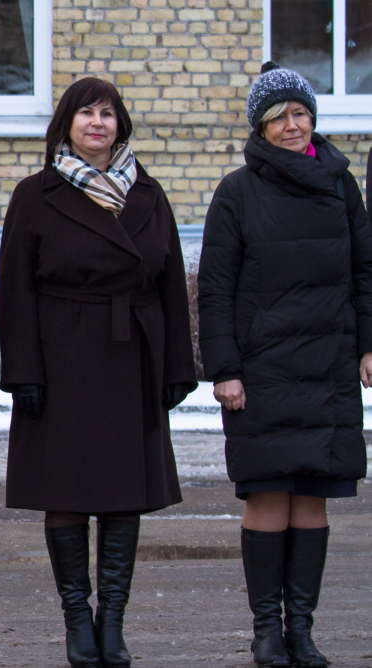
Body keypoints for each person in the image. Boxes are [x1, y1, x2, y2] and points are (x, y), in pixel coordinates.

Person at [0, 77, 196, 668]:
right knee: (65, 490)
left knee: (121, 492)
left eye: (108, 114)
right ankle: (76, 618)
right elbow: (14, 288)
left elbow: (170, 284)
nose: (98, 124)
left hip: (132, 353)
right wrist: (22, 370)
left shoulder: (149, 194)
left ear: (121, 125)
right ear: (66, 123)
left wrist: (177, 367)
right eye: (87, 113)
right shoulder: (37, 193)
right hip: (61, 355)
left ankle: (113, 620)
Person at [197, 62, 372, 668]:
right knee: (269, 493)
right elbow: (214, 291)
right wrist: (224, 369)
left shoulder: (341, 185)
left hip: (328, 362)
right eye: (280, 118)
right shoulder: (237, 192)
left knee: (314, 497)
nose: (293, 126)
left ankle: (302, 630)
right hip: (263, 370)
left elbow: (365, 272)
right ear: (261, 128)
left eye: (301, 114)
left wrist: (368, 344)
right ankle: (266, 632)